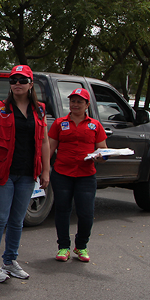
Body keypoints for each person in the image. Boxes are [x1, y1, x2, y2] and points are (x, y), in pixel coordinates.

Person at [0, 65, 51, 282]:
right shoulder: (0, 108)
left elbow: (45, 141)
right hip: (4, 173)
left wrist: (46, 170)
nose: (17, 84)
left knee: (17, 220)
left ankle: (10, 261)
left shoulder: (40, 109)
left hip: (27, 173)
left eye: (22, 80)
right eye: (13, 80)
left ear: (31, 84)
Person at [48, 88, 108, 263]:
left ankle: (81, 246)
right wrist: (42, 169)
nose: (75, 105)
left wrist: (101, 157)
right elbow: (50, 148)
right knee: (62, 211)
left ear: (87, 105)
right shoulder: (60, 123)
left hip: (86, 175)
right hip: (62, 173)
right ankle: (63, 247)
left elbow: (103, 150)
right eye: (72, 101)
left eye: (79, 102)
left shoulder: (95, 125)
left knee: (86, 213)